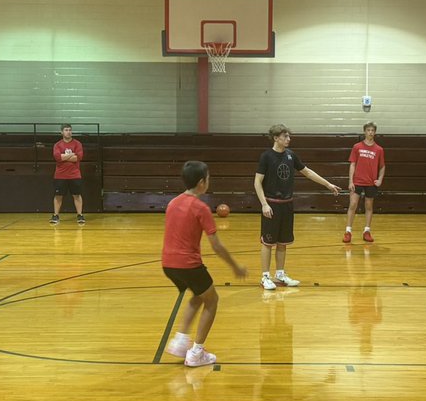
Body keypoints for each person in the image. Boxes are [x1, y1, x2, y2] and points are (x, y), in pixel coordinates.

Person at [162, 161, 248, 367]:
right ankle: (196, 353)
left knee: (199, 294)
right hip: (188, 264)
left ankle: (180, 341)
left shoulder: (172, 203)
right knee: (212, 300)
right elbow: (216, 246)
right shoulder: (201, 208)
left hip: (168, 264)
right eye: (208, 178)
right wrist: (235, 267)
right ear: (201, 183)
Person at [254, 124, 341, 290]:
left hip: (287, 205)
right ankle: (265, 276)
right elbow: (257, 182)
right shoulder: (266, 156)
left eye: (288, 136)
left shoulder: (291, 155)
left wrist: (328, 184)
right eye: (285, 136)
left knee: (283, 242)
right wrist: (264, 204)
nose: (289, 139)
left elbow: (307, 172)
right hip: (271, 204)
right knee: (267, 242)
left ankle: (280, 274)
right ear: (276, 138)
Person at [345, 122, 386, 243]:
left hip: (371, 183)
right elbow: (352, 164)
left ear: (375, 132)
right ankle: (348, 231)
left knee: (369, 206)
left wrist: (380, 179)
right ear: (364, 132)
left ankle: (367, 231)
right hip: (357, 181)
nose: (370, 132)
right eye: (368, 130)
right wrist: (351, 181)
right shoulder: (357, 147)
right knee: (353, 205)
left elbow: (382, 166)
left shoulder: (379, 149)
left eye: (372, 130)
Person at [51, 124, 86, 225]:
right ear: (62, 132)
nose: (68, 132)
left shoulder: (77, 144)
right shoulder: (57, 145)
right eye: (66, 130)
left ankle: (80, 215)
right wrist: (71, 154)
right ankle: (55, 215)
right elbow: (58, 157)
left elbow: (78, 157)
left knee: (77, 195)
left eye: (70, 130)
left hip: (74, 174)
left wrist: (64, 156)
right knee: (58, 195)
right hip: (60, 175)